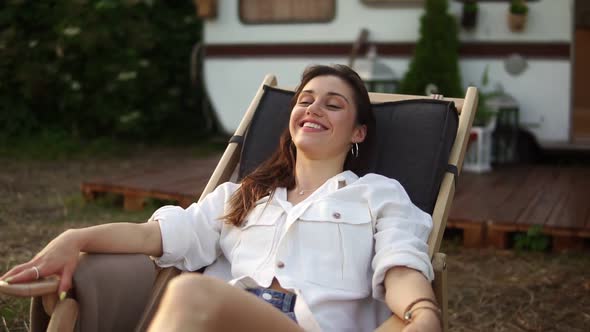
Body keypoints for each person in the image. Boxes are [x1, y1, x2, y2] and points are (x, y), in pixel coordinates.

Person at [1, 65, 442, 332]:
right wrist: (75, 238)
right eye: (305, 100)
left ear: (359, 132)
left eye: (333, 104)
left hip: (295, 324)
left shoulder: (378, 195)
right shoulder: (242, 196)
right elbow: (155, 235)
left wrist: (422, 312)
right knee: (194, 297)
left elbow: (401, 264)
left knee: (194, 293)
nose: (313, 109)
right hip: (221, 322)